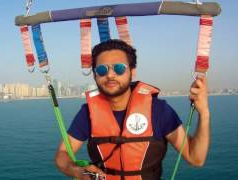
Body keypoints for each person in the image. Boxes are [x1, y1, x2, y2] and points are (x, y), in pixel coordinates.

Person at [54, 39, 210, 180]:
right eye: (102, 70)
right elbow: (62, 155)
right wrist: (77, 172)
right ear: (95, 76)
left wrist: (204, 113)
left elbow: (196, 158)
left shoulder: (159, 110)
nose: (110, 75)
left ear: (132, 71)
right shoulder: (87, 113)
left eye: (119, 68)